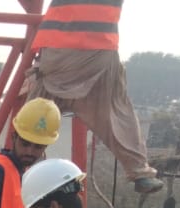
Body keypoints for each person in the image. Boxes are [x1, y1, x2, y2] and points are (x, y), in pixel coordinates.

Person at [26, 0, 163, 194]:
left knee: (34, 112)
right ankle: (139, 172)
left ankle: (23, 164)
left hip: (56, 52)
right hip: (98, 52)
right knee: (117, 113)